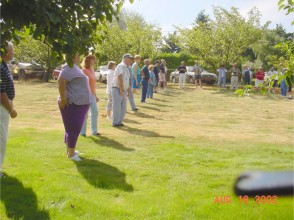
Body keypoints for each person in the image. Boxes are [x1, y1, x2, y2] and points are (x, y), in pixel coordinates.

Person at [58, 54, 92, 161]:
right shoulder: (69, 67)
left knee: (73, 128)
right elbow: (61, 81)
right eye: (76, 55)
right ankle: (71, 154)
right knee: (74, 128)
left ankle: (70, 150)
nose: (78, 56)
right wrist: (63, 98)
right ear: (70, 57)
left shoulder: (74, 67)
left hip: (80, 103)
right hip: (73, 104)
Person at [0, 41, 17, 177]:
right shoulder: (0, 67)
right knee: (1, 138)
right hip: (2, 107)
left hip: (5, 105)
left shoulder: (4, 66)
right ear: (5, 52)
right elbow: (1, 93)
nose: (13, 52)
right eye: (11, 50)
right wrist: (11, 110)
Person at [80, 55, 100, 137]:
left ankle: (94, 131)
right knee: (85, 114)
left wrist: (95, 95)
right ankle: (82, 132)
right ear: (89, 60)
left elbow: (93, 85)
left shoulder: (92, 69)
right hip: (85, 95)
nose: (95, 61)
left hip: (92, 95)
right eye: (93, 59)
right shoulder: (83, 71)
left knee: (95, 112)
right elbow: (82, 84)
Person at [112, 54, 132, 127]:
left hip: (123, 89)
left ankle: (119, 121)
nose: (130, 60)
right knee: (117, 106)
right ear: (125, 59)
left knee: (123, 107)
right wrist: (121, 90)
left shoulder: (127, 67)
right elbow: (119, 78)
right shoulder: (120, 66)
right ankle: (115, 122)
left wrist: (127, 90)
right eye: (129, 59)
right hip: (117, 88)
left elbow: (127, 80)